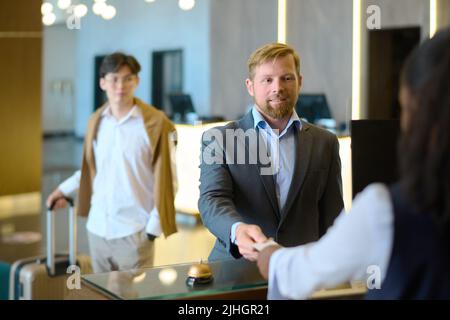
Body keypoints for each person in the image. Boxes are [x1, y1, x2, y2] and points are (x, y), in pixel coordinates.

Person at [257, 28, 450, 299]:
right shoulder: (224, 137)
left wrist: (270, 255)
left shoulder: (384, 212)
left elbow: (299, 273)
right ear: (251, 85)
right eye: (267, 79)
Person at [199, 43, 344, 262]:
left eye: (287, 78)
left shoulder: (326, 142)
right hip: (237, 271)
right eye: (267, 80)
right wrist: (237, 231)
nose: (278, 87)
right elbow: (212, 200)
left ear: (300, 82)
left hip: (300, 269)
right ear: (250, 86)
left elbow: (332, 216)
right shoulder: (219, 139)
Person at [46, 52, 178, 273]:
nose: (120, 85)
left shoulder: (156, 124)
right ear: (102, 82)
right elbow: (93, 169)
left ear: (137, 81)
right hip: (97, 230)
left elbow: (169, 178)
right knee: (101, 295)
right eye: (114, 78)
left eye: (128, 78)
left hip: (134, 232)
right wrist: (63, 189)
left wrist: (152, 230)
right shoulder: (96, 121)